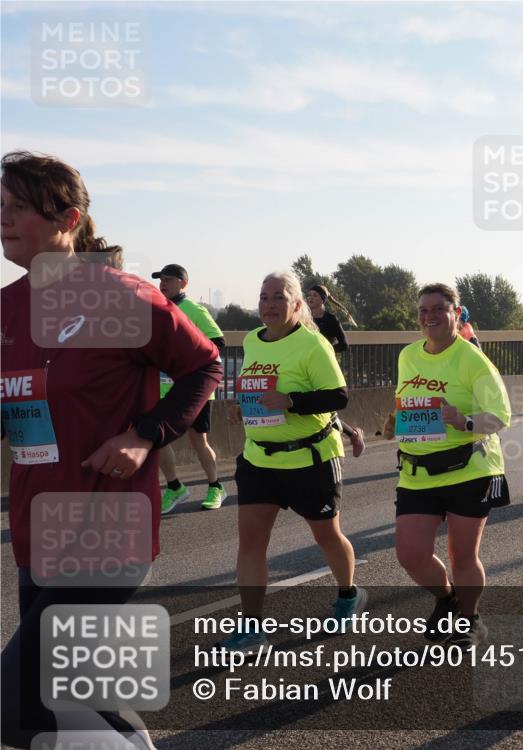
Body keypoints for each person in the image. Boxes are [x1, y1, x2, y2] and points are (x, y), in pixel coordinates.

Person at [0, 151, 222, 747]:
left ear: (69, 219)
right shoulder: (7, 306)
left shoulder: (120, 296)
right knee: (74, 697)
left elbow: (205, 365)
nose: (3, 219)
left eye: (18, 207)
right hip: (36, 525)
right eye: (0, 206)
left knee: (18, 702)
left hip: (106, 525)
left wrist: (145, 433)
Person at [220, 271, 364, 651]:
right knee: (250, 544)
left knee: (327, 536)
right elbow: (257, 390)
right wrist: (241, 409)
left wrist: (292, 402)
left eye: (278, 297)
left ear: (297, 305)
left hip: (310, 458)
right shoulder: (252, 340)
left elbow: (339, 398)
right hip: (259, 460)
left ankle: (348, 595)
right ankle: (251, 627)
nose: (268, 304)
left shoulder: (313, 345)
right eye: (263, 297)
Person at [390, 283, 511, 649]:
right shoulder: (408, 355)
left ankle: (470, 618)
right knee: (410, 554)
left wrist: (465, 422)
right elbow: (408, 400)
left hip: (470, 467)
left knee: (462, 556)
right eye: (424, 310)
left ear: (456, 314)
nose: (430, 316)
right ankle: (446, 598)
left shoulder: (472, 359)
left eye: (439, 308)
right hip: (417, 471)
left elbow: (501, 415)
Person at [152, 263, 228, 512]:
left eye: (169, 279)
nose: (163, 283)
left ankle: (216, 486)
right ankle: (174, 487)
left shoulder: (194, 310)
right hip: (164, 388)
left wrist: (184, 357)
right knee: (158, 438)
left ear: (183, 283)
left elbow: (218, 342)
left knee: (198, 440)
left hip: (195, 388)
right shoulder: (157, 309)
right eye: (160, 279)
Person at [305, 284, 366, 457]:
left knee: (324, 408)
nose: (310, 298)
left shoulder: (330, 320)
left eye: (314, 295)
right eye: (308, 295)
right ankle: (352, 435)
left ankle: (353, 435)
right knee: (321, 408)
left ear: (323, 299)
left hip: (325, 367)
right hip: (305, 366)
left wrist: (327, 350)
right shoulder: (304, 319)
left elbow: (344, 344)